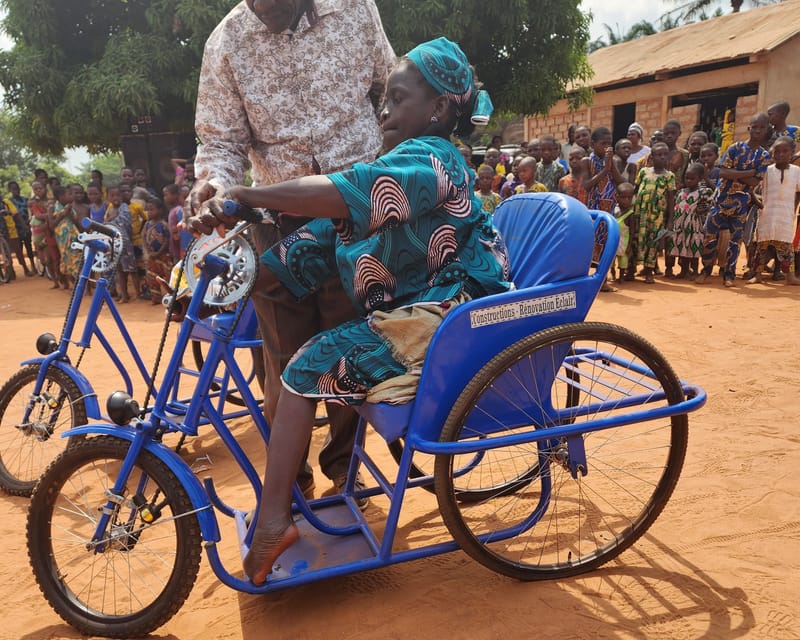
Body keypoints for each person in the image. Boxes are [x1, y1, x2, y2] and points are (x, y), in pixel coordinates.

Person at [187, 37, 509, 586]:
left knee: (305, 367)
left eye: (398, 99)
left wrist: (254, 194)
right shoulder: (399, 162)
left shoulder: (434, 160)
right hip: (416, 319)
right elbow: (323, 238)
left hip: (451, 321)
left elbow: (350, 191)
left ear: (437, 108)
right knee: (310, 352)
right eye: (383, 99)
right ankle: (290, 503)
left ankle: (274, 521)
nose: (384, 111)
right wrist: (245, 273)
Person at [187, 0, 396, 503]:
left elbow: (388, 92)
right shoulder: (228, 40)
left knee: (351, 351)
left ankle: (344, 469)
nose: (262, 9)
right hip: (275, 225)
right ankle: (293, 482)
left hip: (355, 220)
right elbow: (220, 141)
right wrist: (214, 184)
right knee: (283, 361)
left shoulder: (355, 10)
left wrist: (391, 169)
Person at [697, 113, 771, 287]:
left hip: (741, 205)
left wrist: (735, 173)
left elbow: (754, 182)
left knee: (735, 241)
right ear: (749, 128)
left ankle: (729, 275)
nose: (758, 130)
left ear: (767, 130)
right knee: (709, 237)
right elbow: (722, 172)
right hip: (720, 201)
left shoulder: (764, 156)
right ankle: (706, 270)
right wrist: (750, 172)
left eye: (762, 127)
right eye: (755, 127)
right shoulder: (735, 148)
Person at [747, 136, 800, 285]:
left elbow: (798, 192)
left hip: (786, 214)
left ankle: (790, 276)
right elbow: (754, 188)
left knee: (787, 247)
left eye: (785, 151)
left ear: (792, 152)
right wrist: (758, 202)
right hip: (767, 214)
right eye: (777, 152)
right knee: (761, 246)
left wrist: (793, 208)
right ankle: (757, 275)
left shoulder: (796, 171)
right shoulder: (767, 171)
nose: (780, 155)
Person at [632, 142, 676, 283]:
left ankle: (649, 271)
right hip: (640, 213)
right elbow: (635, 190)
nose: (662, 157)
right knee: (638, 239)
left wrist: (670, 219)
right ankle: (633, 269)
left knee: (653, 242)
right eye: (659, 155)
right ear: (652, 157)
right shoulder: (644, 172)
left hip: (657, 216)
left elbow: (671, 198)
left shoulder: (669, 176)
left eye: (665, 154)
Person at [669, 162, 712, 280]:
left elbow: (708, 205)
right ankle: (684, 271)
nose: (689, 181)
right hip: (680, 226)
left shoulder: (703, 192)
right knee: (683, 248)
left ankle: (695, 271)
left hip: (694, 226)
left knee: (693, 248)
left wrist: (701, 210)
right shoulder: (681, 192)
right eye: (687, 178)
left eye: (692, 179)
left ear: (700, 178)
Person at [105, 186, 140, 302]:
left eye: (118, 195)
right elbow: (106, 224)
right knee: (119, 270)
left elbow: (124, 222)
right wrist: (110, 220)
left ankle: (138, 294)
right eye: (112, 195)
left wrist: (111, 219)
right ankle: (125, 295)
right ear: (108, 197)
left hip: (125, 242)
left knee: (131, 269)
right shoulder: (109, 210)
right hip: (114, 244)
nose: (115, 198)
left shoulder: (124, 207)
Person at [142, 198, 175, 303]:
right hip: (152, 256)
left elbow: (166, 240)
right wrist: (148, 251)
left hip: (164, 255)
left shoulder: (163, 225)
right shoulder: (147, 224)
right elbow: (144, 237)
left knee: (168, 275)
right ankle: (156, 297)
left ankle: (172, 296)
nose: (149, 212)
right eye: (148, 210)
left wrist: (159, 252)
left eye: (152, 210)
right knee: (152, 276)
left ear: (160, 210)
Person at [51, 185, 82, 288]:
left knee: (78, 259)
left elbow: (76, 222)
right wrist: (64, 213)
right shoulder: (53, 208)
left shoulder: (71, 207)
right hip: (63, 240)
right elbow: (52, 225)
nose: (72, 196)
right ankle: (74, 285)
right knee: (67, 261)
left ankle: (82, 286)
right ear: (61, 196)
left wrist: (69, 213)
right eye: (69, 194)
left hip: (74, 237)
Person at [7, 181, 35, 273]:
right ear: (10, 190)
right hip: (15, 228)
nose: (16, 190)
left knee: (29, 246)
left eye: (17, 188)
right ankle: (25, 268)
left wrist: (30, 222)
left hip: (26, 225)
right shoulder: (8, 202)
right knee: (19, 249)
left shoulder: (25, 200)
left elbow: (31, 211)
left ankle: (33, 265)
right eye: (13, 189)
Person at [611, 182, 635, 284]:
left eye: (629, 198)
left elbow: (632, 231)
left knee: (623, 260)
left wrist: (629, 245)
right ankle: (612, 273)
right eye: (623, 198)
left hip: (624, 242)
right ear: (617, 197)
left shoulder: (630, 214)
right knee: (611, 259)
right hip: (612, 240)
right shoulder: (614, 210)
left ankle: (621, 276)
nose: (626, 200)